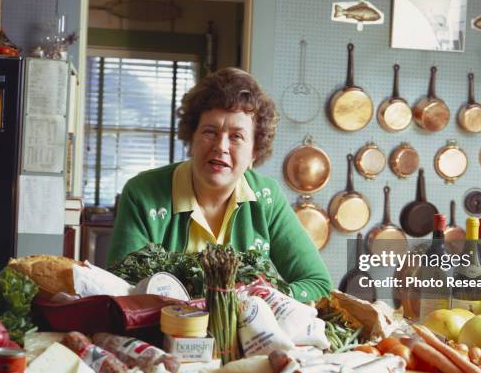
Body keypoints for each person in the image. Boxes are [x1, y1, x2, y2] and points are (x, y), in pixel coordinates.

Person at [107, 67, 332, 302]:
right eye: (209, 132)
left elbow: (319, 284)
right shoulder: (142, 193)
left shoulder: (267, 198)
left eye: (236, 136)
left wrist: (263, 298)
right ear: (191, 139)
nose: (221, 146)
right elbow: (121, 288)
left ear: (255, 152)